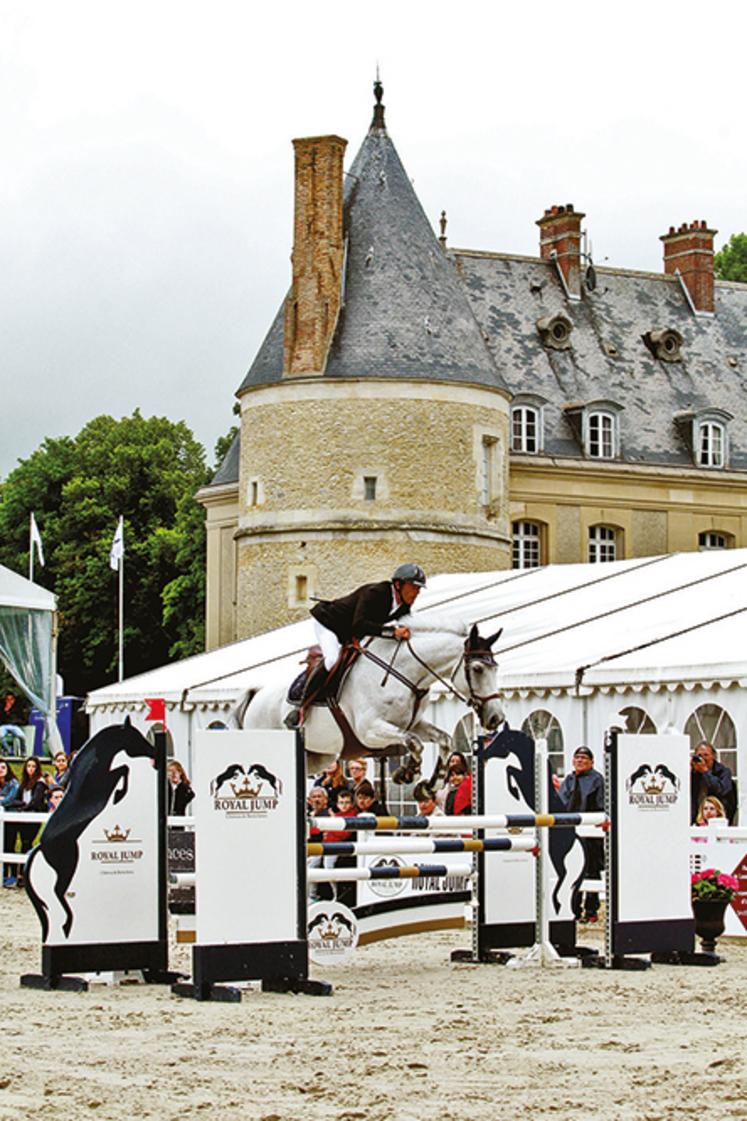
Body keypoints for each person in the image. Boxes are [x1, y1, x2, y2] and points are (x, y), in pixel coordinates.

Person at [285, 564, 427, 727]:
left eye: (419, 589)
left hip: (350, 632)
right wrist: (392, 632)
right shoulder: (376, 593)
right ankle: (301, 706)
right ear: (398, 584)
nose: (417, 593)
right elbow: (359, 624)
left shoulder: (404, 606)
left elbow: (406, 624)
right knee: (332, 659)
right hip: (329, 623)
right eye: (414, 587)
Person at [554, 746, 605, 923]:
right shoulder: (569, 779)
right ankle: (573, 909)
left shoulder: (597, 780)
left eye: (584, 758)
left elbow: (600, 805)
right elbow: (561, 803)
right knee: (571, 870)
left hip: (590, 833)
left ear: (591, 762)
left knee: (591, 870)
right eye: (577, 757)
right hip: (570, 832)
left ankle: (591, 910)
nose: (580, 760)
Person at [6, 756, 48, 886]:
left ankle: (25, 874)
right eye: (29, 766)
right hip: (23, 816)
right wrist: (23, 805)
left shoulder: (40, 783)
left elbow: (35, 801)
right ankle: (19, 874)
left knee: (27, 843)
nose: (31, 769)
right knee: (22, 843)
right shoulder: (23, 783)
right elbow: (15, 799)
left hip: (32, 816)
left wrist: (23, 807)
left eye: (33, 766)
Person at [690, 742, 736, 824]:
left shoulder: (724, 772)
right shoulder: (693, 773)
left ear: (713, 756)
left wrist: (705, 772)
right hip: (696, 819)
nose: (702, 758)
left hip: (718, 818)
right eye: (699, 756)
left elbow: (721, 790)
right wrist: (688, 771)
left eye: (706, 755)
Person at [0, 760, 20, 887]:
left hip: (11, 818)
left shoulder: (13, 783)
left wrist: (1, 800)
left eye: (3, 767)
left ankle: (12, 875)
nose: (1, 770)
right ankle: (3, 874)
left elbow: (10, 799)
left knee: (9, 845)